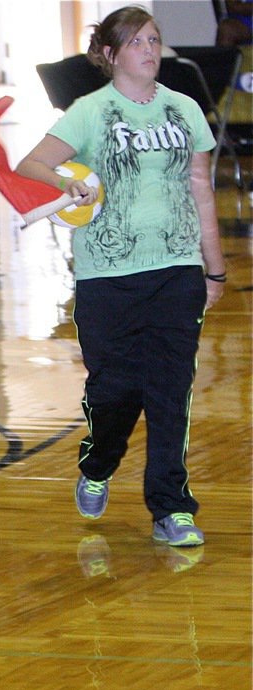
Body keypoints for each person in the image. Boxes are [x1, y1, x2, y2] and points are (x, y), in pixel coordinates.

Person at [15, 6, 225, 548]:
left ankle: (172, 507)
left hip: (176, 269)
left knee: (170, 390)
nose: (150, 50)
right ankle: (98, 462)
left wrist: (214, 266)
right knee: (114, 389)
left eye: (154, 39)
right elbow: (31, 164)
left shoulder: (184, 110)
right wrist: (71, 179)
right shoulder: (90, 112)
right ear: (109, 55)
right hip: (107, 276)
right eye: (136, 42)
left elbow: (201, 186)